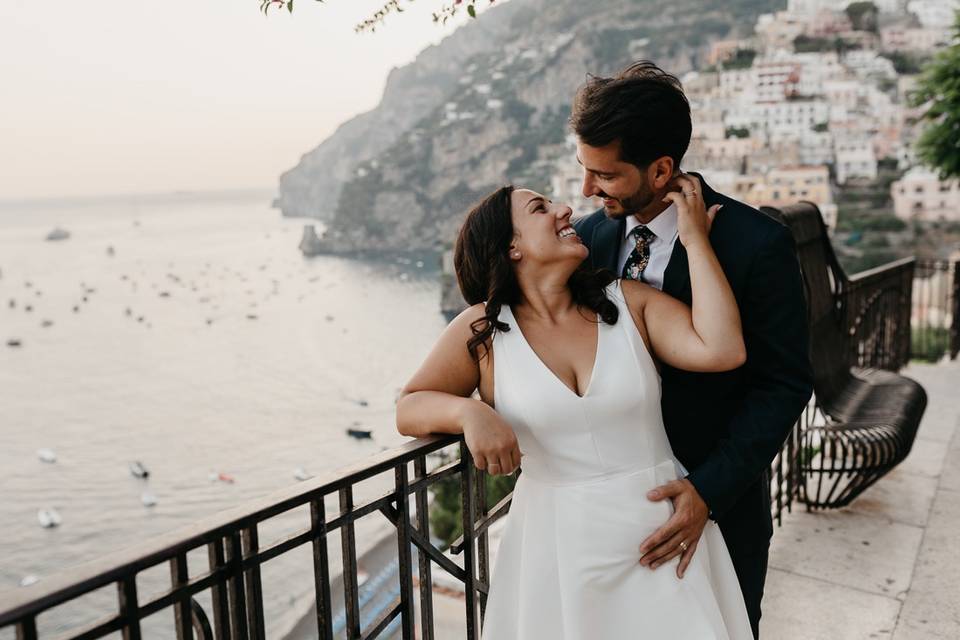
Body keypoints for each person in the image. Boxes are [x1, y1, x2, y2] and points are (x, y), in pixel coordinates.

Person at [397, 177, 754, 638]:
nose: (566, 209)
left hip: (662, 534)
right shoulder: (481, 331)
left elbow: (723, 350)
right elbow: (409, 406)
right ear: (512, 248)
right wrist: (469, 413)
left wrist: (695, 241)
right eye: (541, 209)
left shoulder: (629, 303)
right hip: (555, 548)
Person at [571, 61, 814, 638]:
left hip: (719, 508)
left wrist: (709, 490)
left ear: (661, 169)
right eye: (584, 170)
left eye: (603, 175)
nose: (586, 190)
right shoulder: (586, 239)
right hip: (608, 509)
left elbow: (783, 385)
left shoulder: (758, 244)